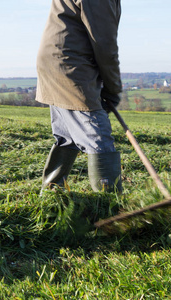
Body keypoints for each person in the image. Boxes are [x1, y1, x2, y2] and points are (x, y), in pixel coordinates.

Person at [36, 0, 122, 193]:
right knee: (98, 136)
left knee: (67, 136)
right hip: (70, 67)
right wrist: (112, 87)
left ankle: (53, 195)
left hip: (58, 62)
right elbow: (105, 45)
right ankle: (110, 210)